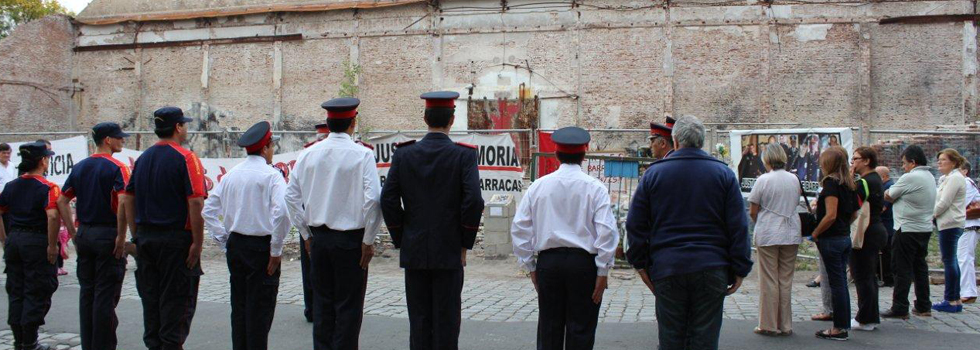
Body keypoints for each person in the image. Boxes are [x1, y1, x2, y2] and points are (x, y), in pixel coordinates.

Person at [625, 115, 751, 350]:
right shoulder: (723, 174)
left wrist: (641, 264)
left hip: (668, 266)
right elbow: (738, 226)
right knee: (705, 340)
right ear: (702, 141)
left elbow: (635, 225)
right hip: (711, 266)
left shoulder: (653, 174)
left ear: (674, 140)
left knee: (671, 339)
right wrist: (740, 267)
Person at [381, 91, 485, 350]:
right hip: (449, 249)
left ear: (425, 118)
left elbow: (388, 200)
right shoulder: (463, 156)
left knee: (419, 320)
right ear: (453, 118)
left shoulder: (404, 154)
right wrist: (464, 242)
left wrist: (402, 236)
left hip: (414, 247)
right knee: (447, 321)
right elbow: (473, 201)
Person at [510, 127, 619, 350]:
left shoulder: (538, 186)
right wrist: (603, 270)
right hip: (583, 265)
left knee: (549, 327)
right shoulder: (595, 188)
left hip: (549, 263)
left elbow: (520, 229)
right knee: (581, 328)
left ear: (556, 154)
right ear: (584, 154)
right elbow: (606, 232)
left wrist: (530, 266)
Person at [286, 98, 381, 350]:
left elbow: (291, 196)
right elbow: (373, 200)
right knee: (348, 309)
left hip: (319, 239)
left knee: (323, 306)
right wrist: (368, 240)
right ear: (353, 123)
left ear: (328, 123)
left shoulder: (307, 154)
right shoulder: (362, 155)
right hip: (351, 241)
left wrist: (305, 234)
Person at [119, 106, 207, 350]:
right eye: (184, 124)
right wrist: (197, 243)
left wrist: (137, 235)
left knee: (152, 302)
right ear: (178, 127)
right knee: (177, 305)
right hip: (175, 241)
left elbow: (128, 198)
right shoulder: (186, 158)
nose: (186, 128)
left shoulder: (143, 158)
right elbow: (196, 201)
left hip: (147, 238)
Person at [203, 121, 290, 350]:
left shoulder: (232, 175)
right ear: (265, 148)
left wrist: (224, 240)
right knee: (260, 312)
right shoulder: (271, 176)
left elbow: (209, 210)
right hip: (261, 247)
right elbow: (282, 211)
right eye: (272, 146)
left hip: (237, 245)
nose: (273, 151)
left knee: (240, 308)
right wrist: (276, 249)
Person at [56, 122, 131, 350]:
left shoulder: (80, 167)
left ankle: (89, 344)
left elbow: (61, 200)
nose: (122, 141)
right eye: (119, 137)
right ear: (107, 140)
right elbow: (124, 203)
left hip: (86, 233)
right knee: (105, 296)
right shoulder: (117, 167)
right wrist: (121, 236)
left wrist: (73, 233)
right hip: (106, 233)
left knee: (87, 293)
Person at [0, 142, 61, 350]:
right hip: (36, 240)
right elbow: (52, 216)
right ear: (42, 161)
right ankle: (29, 340)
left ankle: (20, 339)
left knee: (17, 289)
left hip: (15, 239)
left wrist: (5, 239)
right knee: (38, 288)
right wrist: (52, 245)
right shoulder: (47, 187)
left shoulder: (11, 186)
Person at [748, 143, 802, 336]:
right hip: (791, 231)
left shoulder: (763, 180)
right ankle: (785, 324)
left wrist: (762, 221)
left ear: (767, 159)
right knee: (785, 280)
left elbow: (753, 210)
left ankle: (769, 324)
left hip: (769, 232)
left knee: (769, 280)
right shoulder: (794, 179)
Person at [881, 145, 937, 319]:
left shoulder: (911, 177)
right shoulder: (929, 176)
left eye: (904, 163)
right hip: (923, 227)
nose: (903, 167)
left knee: (901, 268)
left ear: (913, 162)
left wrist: (890, 193)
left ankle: (900, 307)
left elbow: (889, 194)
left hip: (906, 228)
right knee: (920, 267)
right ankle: (923, 305)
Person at [812, 146, 859, 341]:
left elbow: (830, 214)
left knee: (836, 284)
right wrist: (842, 225)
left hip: (831, 239)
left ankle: (839, 327)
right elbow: (854, 213)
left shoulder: (831, 184)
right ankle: (842, 323)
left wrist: (816, 231)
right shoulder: (849, 184)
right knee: (840, 283)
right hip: (843, 237)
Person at [849, 147, 888, 331]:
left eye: (855, 159)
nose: (852, 162)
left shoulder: (864, 181)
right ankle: (870, 315)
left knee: (862, 275)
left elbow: (851, 202)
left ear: (866, 161)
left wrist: (849, 181)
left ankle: (865, 318)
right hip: (876, 229)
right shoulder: (876, 179)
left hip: (866, 231)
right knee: (868, 275)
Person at [299, 122, 330, 323]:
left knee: (314, 267)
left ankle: (315, 308)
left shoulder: (309, 155)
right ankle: (312, 306)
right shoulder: (308, 154)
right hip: (312, 217)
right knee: (310, 269)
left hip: (313, 219)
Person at [931, 149, 968, 313]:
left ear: (953, 162)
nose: (939, 163)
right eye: (939, 160)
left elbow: (944, 202)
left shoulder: (954, 178)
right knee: (951, 260)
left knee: (949, 260)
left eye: (943, 160)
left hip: (950, 223)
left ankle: (951, 299)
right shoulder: (948, 178)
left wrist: (931, 215)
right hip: (948, 222)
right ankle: (955, 298)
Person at [958, 161, 980, 304]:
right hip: (965, 225)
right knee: (963, 257)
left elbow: (959, 204)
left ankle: (968, 291)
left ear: (965, 171)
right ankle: (965, 290)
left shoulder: (966, 182)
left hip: (969, 225)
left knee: (965, 258)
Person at [876, 166, 896, 287]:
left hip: (887, 224)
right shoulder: (886, 186)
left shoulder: (889, 187)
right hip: (885, 224)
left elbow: (882, 207)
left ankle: (888, 277)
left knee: (886, 253)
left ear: (883, 176)